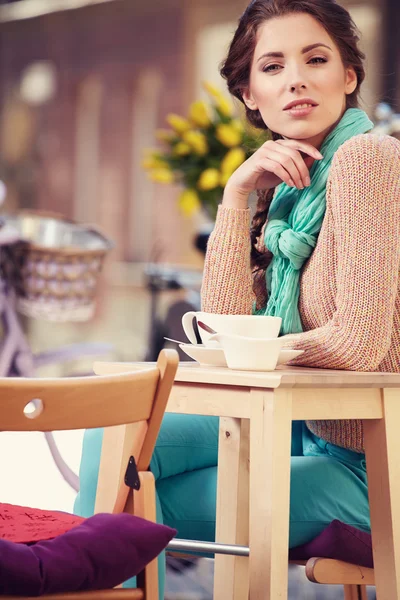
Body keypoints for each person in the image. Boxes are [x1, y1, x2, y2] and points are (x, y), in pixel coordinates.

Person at [74, 0, 400, 596]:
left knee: (125, 504)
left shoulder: (367, 159)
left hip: (371, 467)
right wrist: (236, 197)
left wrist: (258, 355)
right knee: (117, 435)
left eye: (316, 58)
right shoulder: (289, 186)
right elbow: (224, 327)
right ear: (250, 94)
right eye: (272, 66)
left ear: (349, 77)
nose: (296, 78)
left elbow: (360, 342)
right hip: (300, 431)